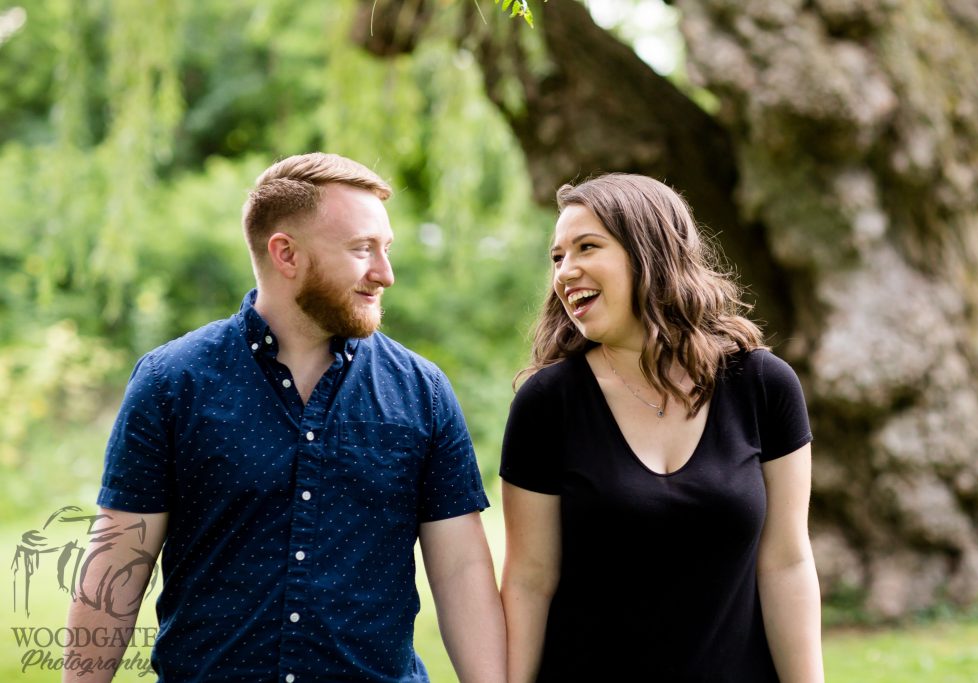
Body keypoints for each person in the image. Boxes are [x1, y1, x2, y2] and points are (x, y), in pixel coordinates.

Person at [63, 153, 506, 683]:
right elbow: (117, 565)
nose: (385, 273)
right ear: (286, 254)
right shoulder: (170, 383)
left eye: (385, 250)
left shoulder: (423, 392)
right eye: (362, 249)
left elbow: (461, 571)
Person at [499, 174, 824, 682]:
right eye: (557, 256)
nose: (566, 271)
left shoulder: (763, 385)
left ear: (648, 252)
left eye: (587, 247)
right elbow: (528, 580)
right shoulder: (547, 404)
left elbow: (786, 562)